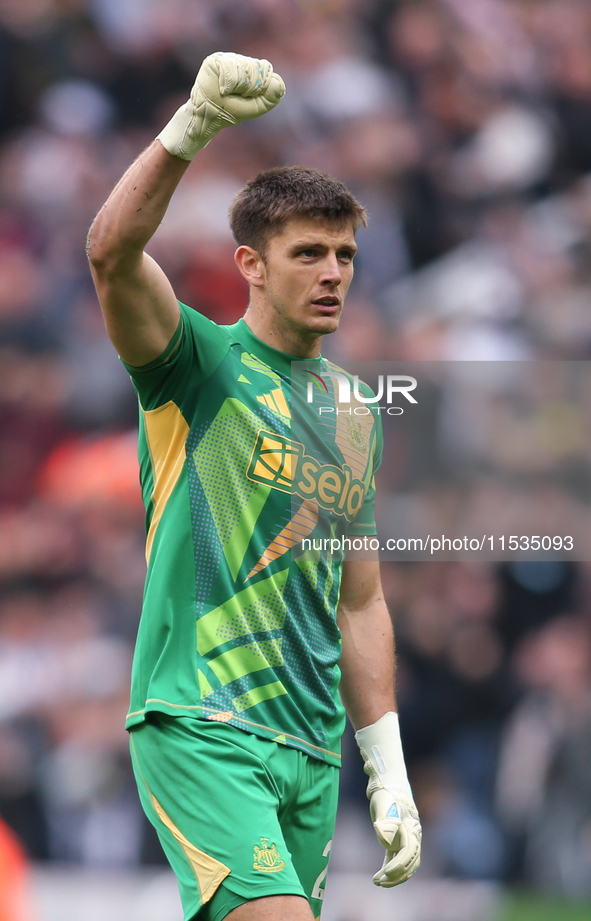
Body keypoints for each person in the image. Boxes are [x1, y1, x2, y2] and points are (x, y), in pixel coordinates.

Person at [87, 52, 421, 921]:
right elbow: (111, 253)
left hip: (310, 750)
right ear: (251, 263)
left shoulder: (354, 410)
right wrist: (190, 127)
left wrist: (386, 767)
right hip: (201, 722)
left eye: (344, 254)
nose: (333, 272)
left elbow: (360, 599)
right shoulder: (195, 365)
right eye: (307, 253)